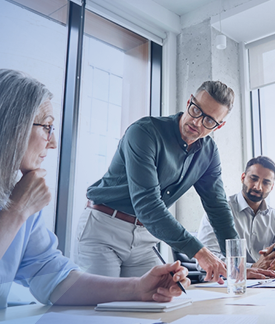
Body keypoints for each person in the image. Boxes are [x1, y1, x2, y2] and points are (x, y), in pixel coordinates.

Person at [0, 69, 190, 323]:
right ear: (9, 127)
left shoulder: (14, 189)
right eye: (47, 127)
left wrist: (137, 288)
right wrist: (15, 212)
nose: (53, 142)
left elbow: (52, 276)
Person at [78, 81, 239, 282]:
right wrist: (199, 251)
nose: (197, 122)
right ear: (189, 101)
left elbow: (218, 207)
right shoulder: (144, 132)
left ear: (219, 125)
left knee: (161, 303)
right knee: (100, 308)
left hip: (144, 239)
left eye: (209, 121)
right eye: (196, 110)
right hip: (104, 229)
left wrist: (238, 264)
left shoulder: (209, 152)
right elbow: (148, 205)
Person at [197, 156, 275, 279]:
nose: (258, 187)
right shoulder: (218, 210)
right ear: (243, 178)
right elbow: (206, 258)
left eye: (266, 182)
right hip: (227, 284)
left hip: (264, 284)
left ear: (272, 187)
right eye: (253, 178)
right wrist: (251, 268)